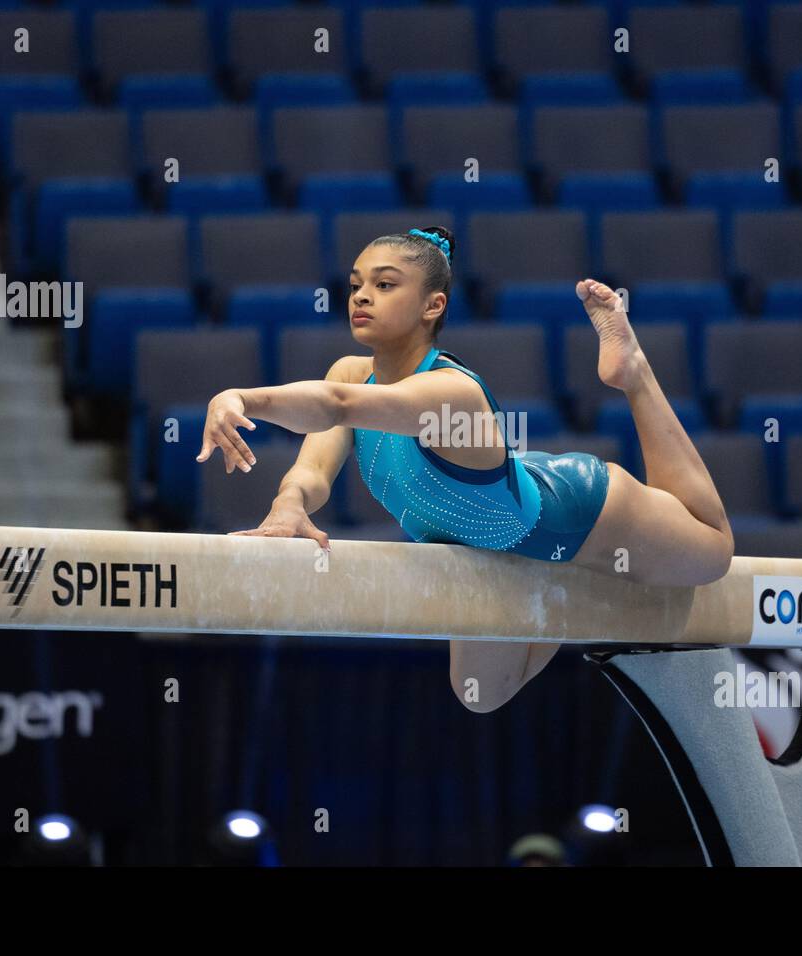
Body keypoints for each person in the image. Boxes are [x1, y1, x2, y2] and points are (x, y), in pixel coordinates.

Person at [196, 226, 733, 712]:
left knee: (713, 553)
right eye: (356, 283)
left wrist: (242, 396)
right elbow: (313, 469)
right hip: (491, 547)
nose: (360, 295)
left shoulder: (454, 393)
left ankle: (633, 371)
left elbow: (336, 404)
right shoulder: (352, 373)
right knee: (481, 694)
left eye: (385, 285)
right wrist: (288, 504)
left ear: (433, 306)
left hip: (581, 511)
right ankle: (554, 574)